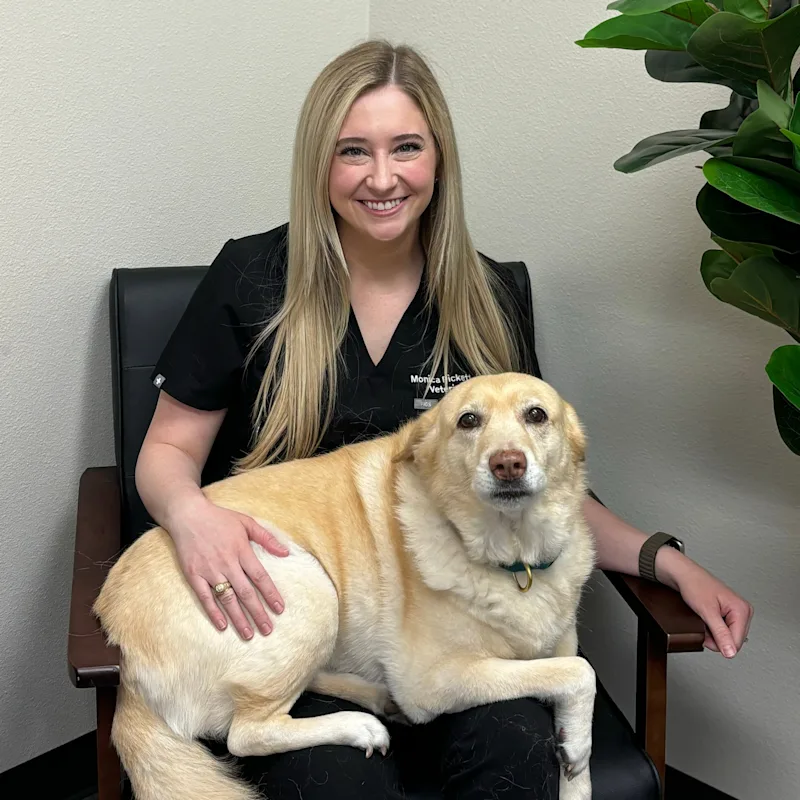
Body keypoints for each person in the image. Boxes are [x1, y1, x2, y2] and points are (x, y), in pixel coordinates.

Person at [136, 39, 754, 799]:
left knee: (518, 754)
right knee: (338, 787)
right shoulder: (251, 277)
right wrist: (192, 516)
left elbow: (539, 478)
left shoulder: (486, 296)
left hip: (458, 637)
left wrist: (667, 559)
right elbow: (166, 448)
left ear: (440, 159)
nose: (383, 177)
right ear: (319, 165)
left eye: (406, 148)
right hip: (306, 630)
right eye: (353, 151)